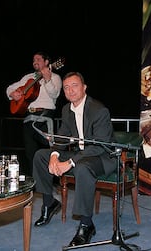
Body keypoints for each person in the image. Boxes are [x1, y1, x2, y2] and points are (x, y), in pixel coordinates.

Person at [32, 72, 117, 247]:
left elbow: (99, 145)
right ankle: (49, 203)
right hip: (83, 154)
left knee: (82, 168)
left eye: (75, 85)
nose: (70, 90)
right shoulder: (66, 109)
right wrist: (55, 156)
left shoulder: (99, 110)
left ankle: (87, 224)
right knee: (41, 156)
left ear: (84, 88)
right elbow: (62, 136)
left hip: (103, 156)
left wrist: (69, 163)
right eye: (66, 87)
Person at [6, 51, 62, 176]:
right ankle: (34, 183)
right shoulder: (28, 77)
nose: (35, 61)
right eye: (33, 60)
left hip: (45, 117)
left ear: (47, 62)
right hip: (29, 118)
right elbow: (9, 88)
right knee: (30, 153)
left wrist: (47, 79)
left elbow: (55, 94)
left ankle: (49, 182)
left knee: (48, 150)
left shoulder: (55, 77)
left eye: (38, 59)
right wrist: (12, 94)